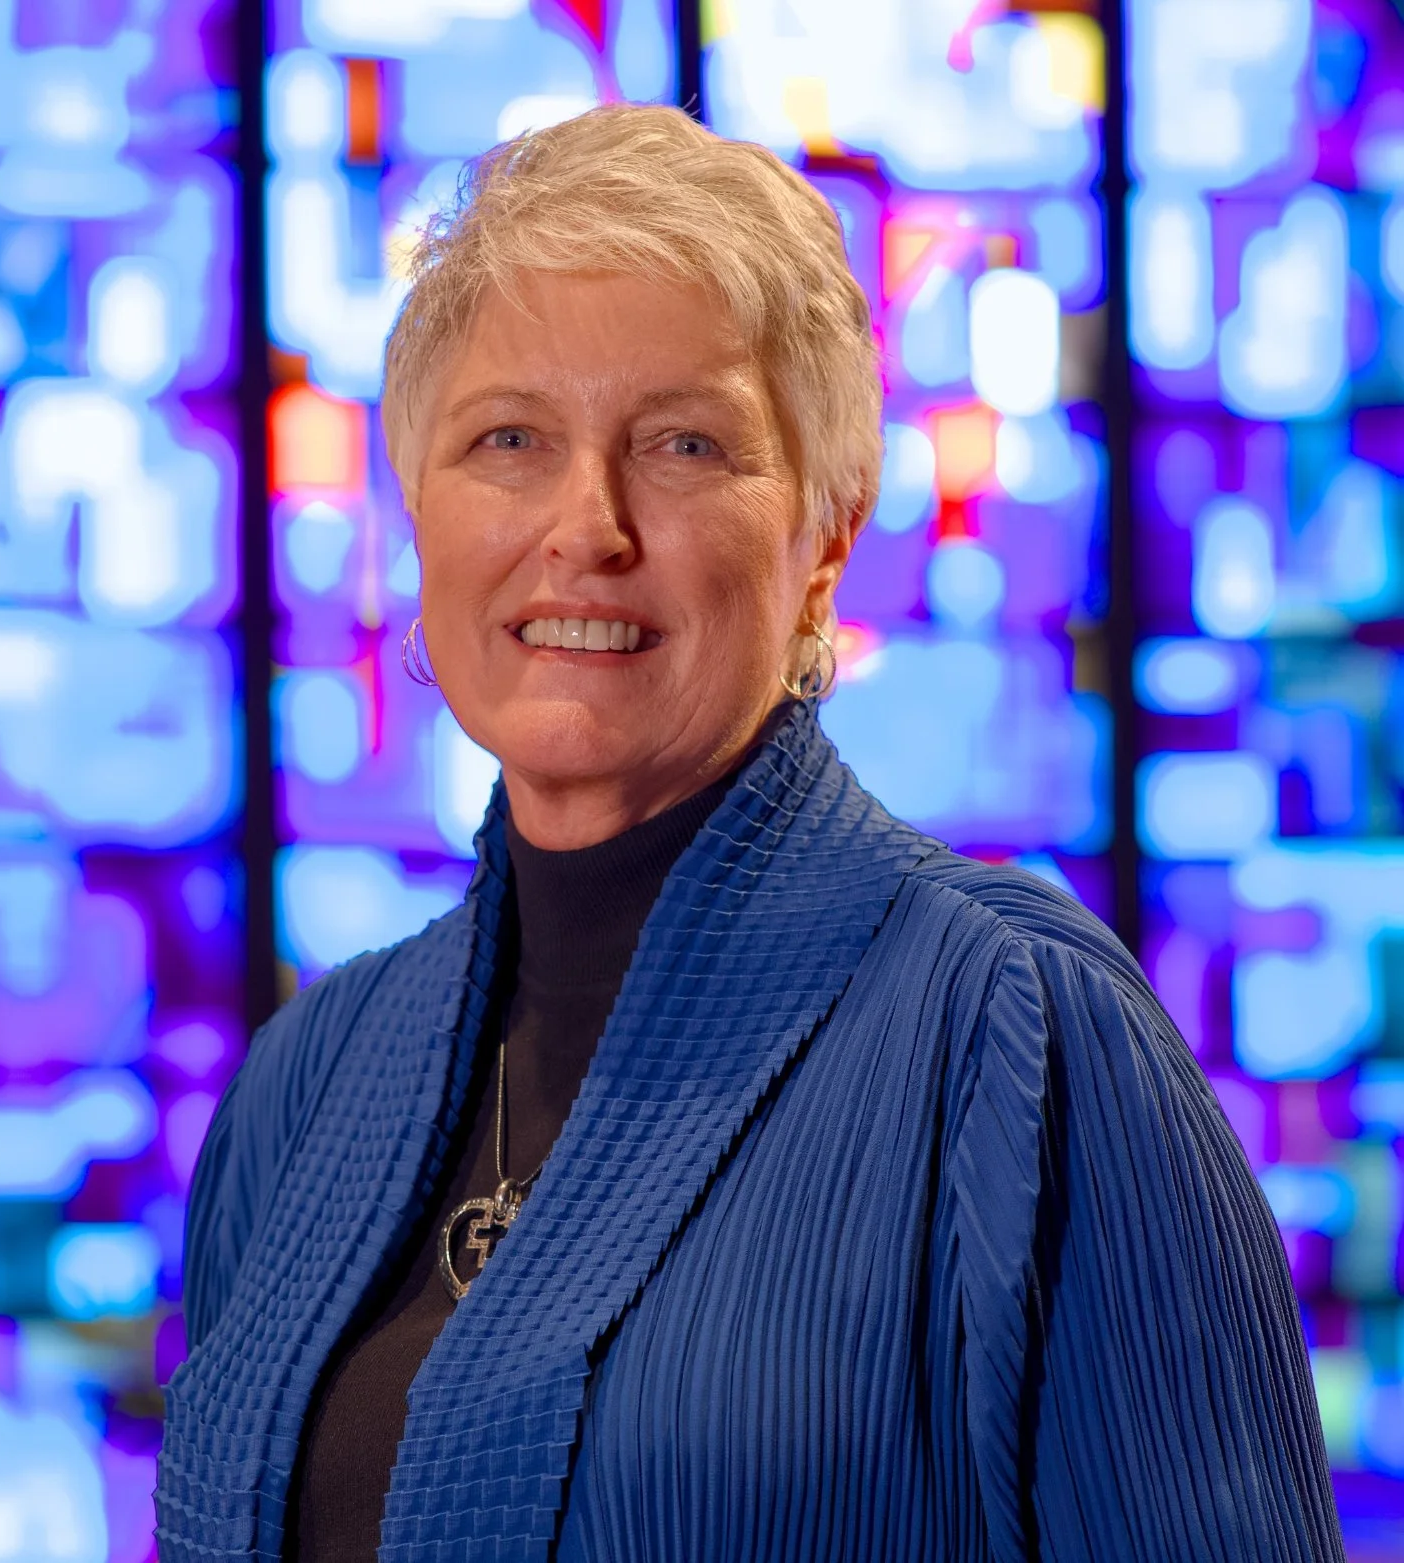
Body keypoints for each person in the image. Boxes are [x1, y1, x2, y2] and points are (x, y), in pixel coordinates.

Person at [156, 104, 1342, 1563]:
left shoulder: (1022, 1047)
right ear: (417, 511)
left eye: (683, 443)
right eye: (507, 439)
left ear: (823, 537)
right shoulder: (305, 1085)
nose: (582, 524)